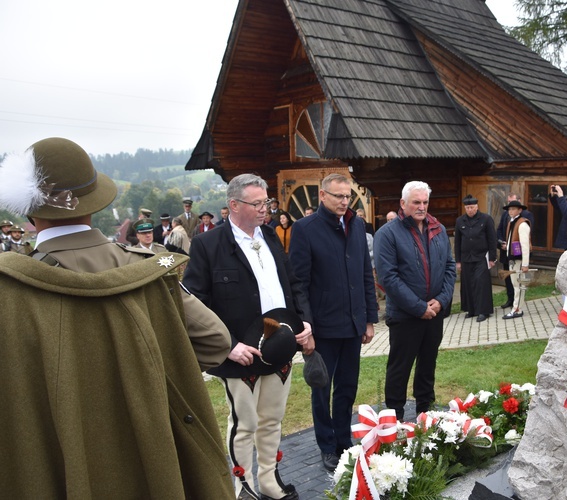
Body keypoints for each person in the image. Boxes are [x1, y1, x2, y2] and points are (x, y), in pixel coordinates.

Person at [0, 137, 233, 498]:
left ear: (29, 213)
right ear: (95, 204)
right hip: (154, 458)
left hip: (58, 465)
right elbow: (216, 342)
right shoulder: (151, 272)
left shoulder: (8, 290)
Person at [182, 173, 314, 500]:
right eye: (257, 204)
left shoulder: (269, 237)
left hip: (280, 348)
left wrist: (304, 323)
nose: (264, 210)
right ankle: (243, 488)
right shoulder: (207, 245)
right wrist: (225, 346)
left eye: (266, 203)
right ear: (233, 205)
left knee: (272, 420)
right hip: (240, 355)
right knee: (245, 425)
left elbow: (293, 285)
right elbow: (191, 304)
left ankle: (269, 481)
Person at [289, 173, 378, 472]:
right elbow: (298, 282)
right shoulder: (305, 229)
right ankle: (327, 446)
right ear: (322, 196)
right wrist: (305, 326)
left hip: (353, 324)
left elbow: (366, 273)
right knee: (321, 388)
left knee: (347, 387)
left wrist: (369, 319)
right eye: (338, 196)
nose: (344, 201)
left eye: (347, 196)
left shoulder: (355, 225)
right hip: (322, 327)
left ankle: (343, 439)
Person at [374, 181, 456, 421]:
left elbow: (450, 267)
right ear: (403, 203)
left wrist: (440, 301)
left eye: (425, 202)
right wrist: (419, 307)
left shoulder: (437, 228)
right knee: (400, 368)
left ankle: (425, 410)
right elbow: (388, 277)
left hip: (434, 312)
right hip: (405, 315)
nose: (422, 207)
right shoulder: (387, 234)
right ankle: (394, 417)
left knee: (428, 363)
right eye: (416, 202)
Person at [454, 194, 496, 322]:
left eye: (472, 207)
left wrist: (492, 258)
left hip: (481, 257)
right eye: (467, 208)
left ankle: (484, 311)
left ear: (477, 207)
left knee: (480, 283)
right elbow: (457, 242)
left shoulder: (486, 219)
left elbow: (492, 239)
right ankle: (471, 309)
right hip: (466, 258)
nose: (470, 210)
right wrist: (458, 261)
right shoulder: (460, 221)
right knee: (468, 284)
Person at [496, 194, 533, 309]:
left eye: (513, 209)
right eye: (509, 209)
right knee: (514, 284)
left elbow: (525, 245)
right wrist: (504, 245)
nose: (510, 211)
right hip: (511, 257)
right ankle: (515, 307)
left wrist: (525, 264)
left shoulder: (522, 223)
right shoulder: (511, 222)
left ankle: (517, 309)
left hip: (518, 258)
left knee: (518, 285)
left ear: (519, 210)